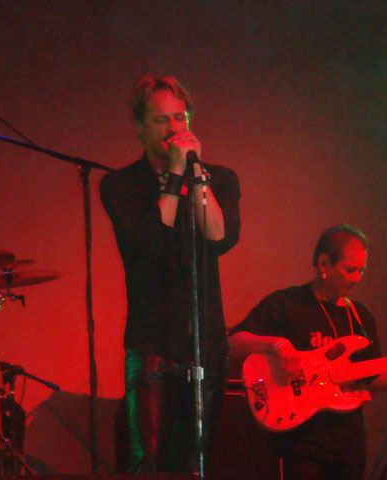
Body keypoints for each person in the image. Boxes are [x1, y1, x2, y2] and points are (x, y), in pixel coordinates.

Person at [228, 224, 387, 480]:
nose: (356, 278)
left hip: (348, 444)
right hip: (300, 442)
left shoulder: (360, 316)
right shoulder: (287, 303)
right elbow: (233, 342)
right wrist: (276, 345)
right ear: (324, 263)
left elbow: (372, 377)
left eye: (361, 271)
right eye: (349, 269)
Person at [100, 74, 240, 473]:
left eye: (180, 118)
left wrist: (195, 177)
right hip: (152, 344)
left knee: (196, 465)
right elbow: (150, 246)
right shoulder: (121, 185)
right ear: (140, 128)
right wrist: (175, 175)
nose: (173, 129)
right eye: (161, 120)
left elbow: (220, 238)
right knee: (150, 464)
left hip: (206, 343)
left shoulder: (220, 179)